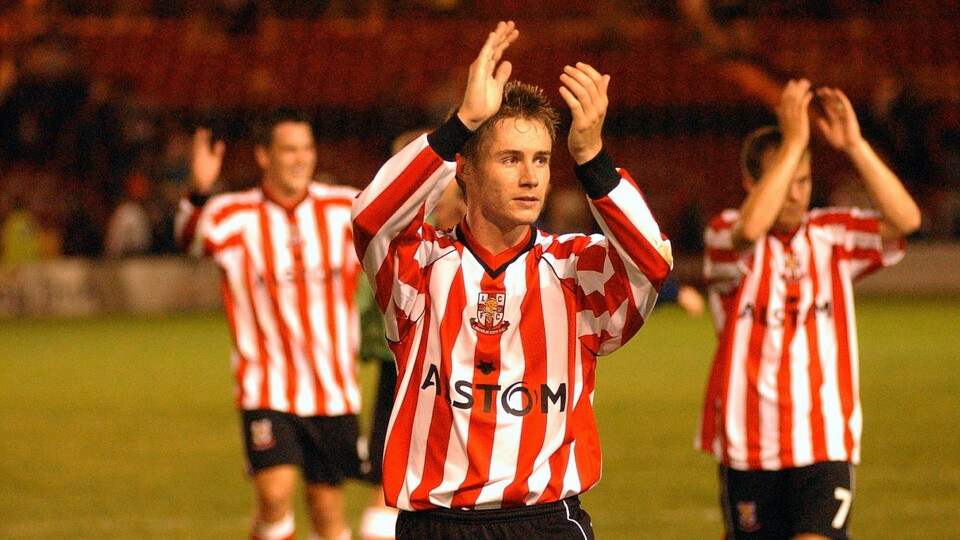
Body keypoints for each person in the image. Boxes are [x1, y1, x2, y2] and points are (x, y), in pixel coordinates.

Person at [352, 21, 673, 539]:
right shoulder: (420, 267)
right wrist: (460, 124)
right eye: (510, 159)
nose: (531, 177)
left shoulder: (575, 268)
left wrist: (592, 158)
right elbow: (370, 217)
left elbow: (651, 261)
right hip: (438, 525)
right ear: (466, 170)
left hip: (545, 521)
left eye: (541, 160)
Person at [696, 79, 921, 539]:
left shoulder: (830, 235)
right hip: (748, 443)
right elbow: (750, 228)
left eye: (803, 180)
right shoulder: (725, 235)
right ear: (751, 184)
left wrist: (854, 145)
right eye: (784, 181)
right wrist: (795, 140)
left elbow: (906, 219)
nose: (796, 195)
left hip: (823, 439)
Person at [175, 108, 363, 540]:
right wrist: (199, 191)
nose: (301, 158)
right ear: (264, 156)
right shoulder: (233, 213)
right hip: (266, 386)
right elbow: (189, 240)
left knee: (327, 513)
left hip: (334, 389)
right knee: (275, 496)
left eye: (307, 149)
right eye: (289, 150)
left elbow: (398, 225)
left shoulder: (344, 207)